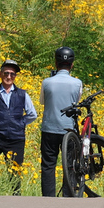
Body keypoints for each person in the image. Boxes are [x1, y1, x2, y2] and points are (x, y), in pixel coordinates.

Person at [0, 59, 38, 195]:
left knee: (15, 174)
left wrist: (20, 123)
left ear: (15, 76)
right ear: (0, 74)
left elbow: (32, 114)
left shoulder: (22, 94)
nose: (9, 77)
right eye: (6, 73)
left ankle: (16, 199)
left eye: (12, 74)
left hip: (16, 139)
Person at [40, 46, 83, 197]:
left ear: (55, 63)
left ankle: (48, 197)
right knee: (70, 164)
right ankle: (68, 196)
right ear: (72, 65)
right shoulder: (77, 83)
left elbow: (42, 102)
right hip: (69, 130)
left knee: (48, 165)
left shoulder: (46, 82)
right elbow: (76, 101)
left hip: (49, 128)